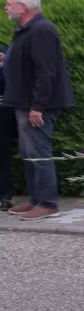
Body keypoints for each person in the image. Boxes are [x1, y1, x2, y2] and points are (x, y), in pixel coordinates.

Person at [2, 0, 74, 220]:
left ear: (23, 7)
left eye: (10, 4)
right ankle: (35, 199)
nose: (6, 7)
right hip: (23, 103)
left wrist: (38, 106)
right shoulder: (27, 30)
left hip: (35, 105)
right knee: (29, 153)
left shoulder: (41, 31)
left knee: (39, 153)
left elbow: (46, 72)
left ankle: (48, 203)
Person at [0, 43, 17, 211]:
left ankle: (5, 195)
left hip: (3, 112)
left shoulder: (3, 51)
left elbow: (7, 80)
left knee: (2, 155)